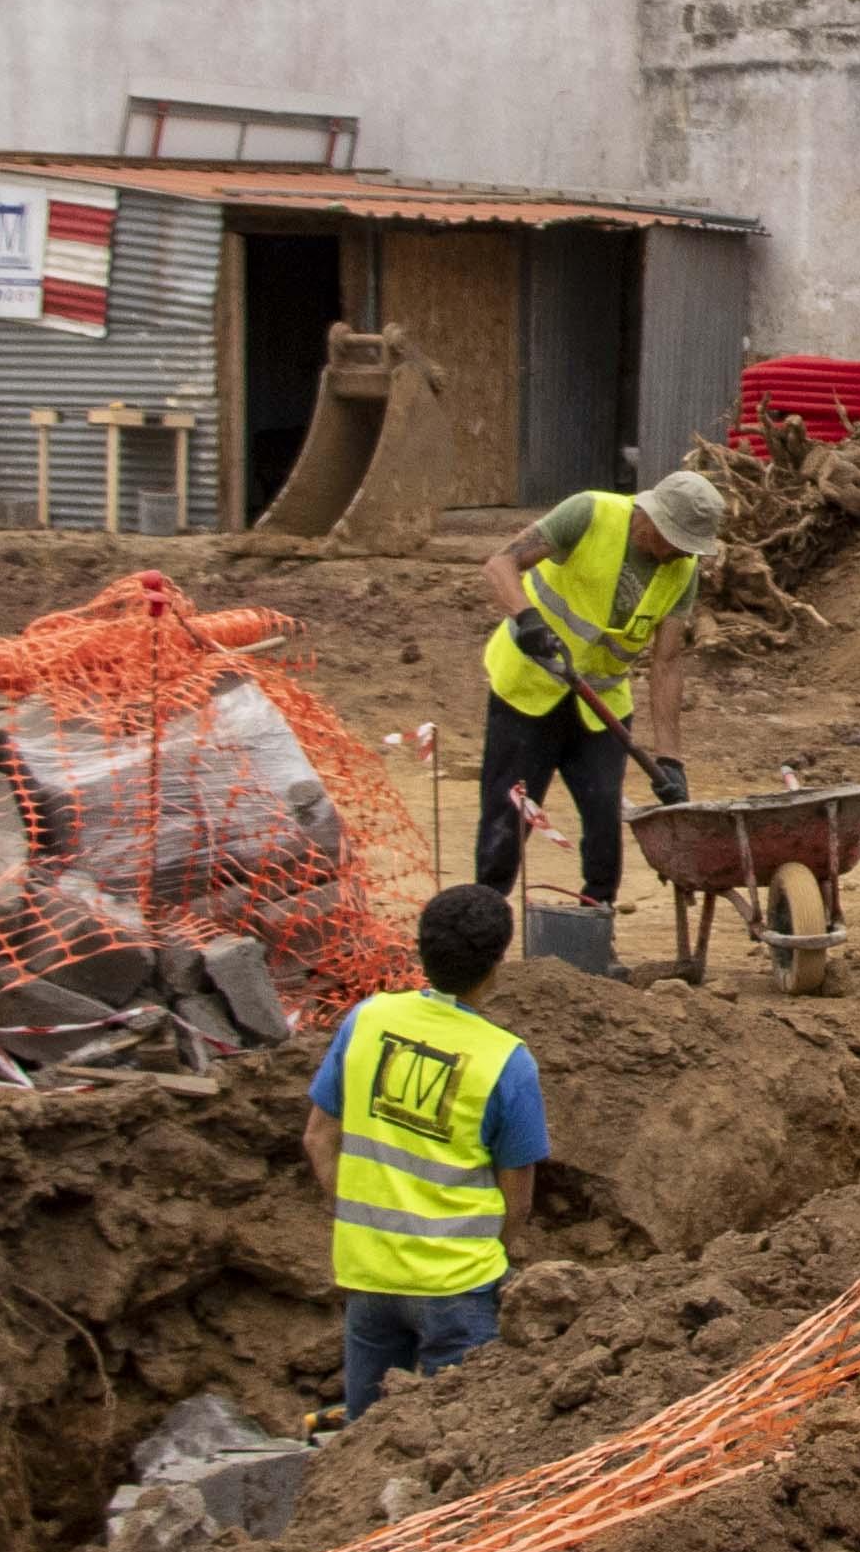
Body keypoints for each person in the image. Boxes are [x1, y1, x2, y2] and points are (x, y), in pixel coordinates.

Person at [307, 885, 550, 1420]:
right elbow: (520, 1200)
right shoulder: (506, 1061)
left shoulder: (367, 1020)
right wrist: (495, 1253)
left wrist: (356, 1213)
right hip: (458, 1286)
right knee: (463, 1445)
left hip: (368, 1273)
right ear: (496, 965)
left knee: (361, 1446)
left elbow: (319, 1137)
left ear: (421, 949)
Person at [472, 465, 726, 912]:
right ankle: (483, 928)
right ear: (651, 516)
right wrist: (526, 618)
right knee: (506, 822)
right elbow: (500, 564)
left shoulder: (682, 570)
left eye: (689, 547)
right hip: (528, 689)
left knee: (604, 817)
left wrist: (670, 760)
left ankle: (595, 925)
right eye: (674, 538)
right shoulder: (588, 512)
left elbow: (667, 663)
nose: (678, 553)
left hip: (600, 704)